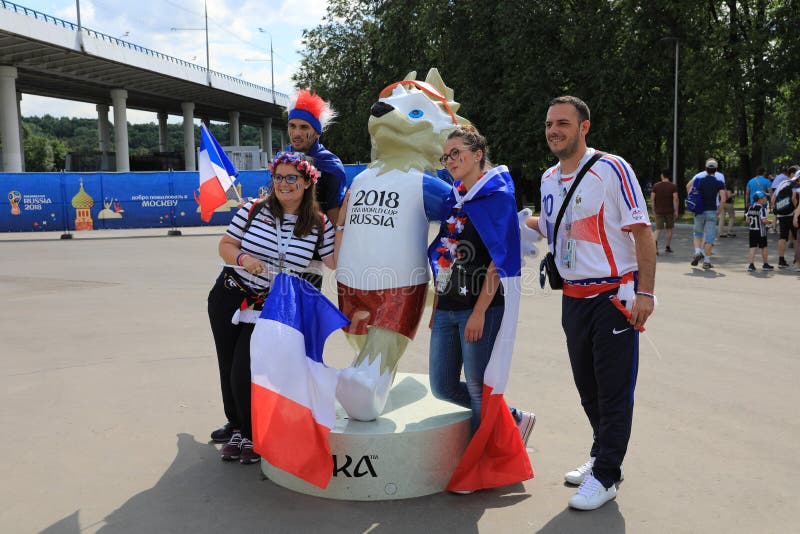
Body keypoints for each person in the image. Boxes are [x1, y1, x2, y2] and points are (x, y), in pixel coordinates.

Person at [525, 96, 655, 511]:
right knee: (588, 389)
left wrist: (646, 293)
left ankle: (606, 475)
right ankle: (603, 455)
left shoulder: (611, 168)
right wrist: (508, 217)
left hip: (613, 296)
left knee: (614, 390)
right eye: (549, 124)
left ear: (584, 127)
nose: (553, 131)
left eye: (562, 123)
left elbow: (641, 232)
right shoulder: (548, 178)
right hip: (573, 298)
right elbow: (549, 227)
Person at [207, 152, 341, 464]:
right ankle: (238, 426)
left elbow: (335, 262)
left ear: (307, 182)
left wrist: (345, 219)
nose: (283, 183)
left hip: (268, 304)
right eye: (278, 177)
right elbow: (226, 245)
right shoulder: (252, 209)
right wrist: (243, 259)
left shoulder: (318, 224)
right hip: (229, 294)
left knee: (246, 366)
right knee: (228, 364)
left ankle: (252, 432)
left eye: (291, 177)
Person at [428, 125, 535, 449]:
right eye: (446, 156)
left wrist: (478, 313)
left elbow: (498, 261)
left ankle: (480, 459)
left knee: (478, 387)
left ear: (477, 154)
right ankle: (513, 418)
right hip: (447, 307)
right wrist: (435, 307)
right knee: (442, 386)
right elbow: (445, 252)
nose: (450, 160)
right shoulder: (454, 197)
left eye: (456, 153)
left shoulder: (497, 196)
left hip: (481, 309)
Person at [285, 89, 347, 224]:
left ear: (317, 133)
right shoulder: (284, 158)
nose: (296, 133)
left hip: (318, 238)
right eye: (292, 126)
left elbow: (334, 217)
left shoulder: (330, 165)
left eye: (304, 127)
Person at [687, 162, 726, 269]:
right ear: (716, 170)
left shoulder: (699, 181)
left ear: (706, 169)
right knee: (709, 238)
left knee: (697, 234)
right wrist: (719, 211)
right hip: (712, 211)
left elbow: (690, 192)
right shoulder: (719, 182)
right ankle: (707, 262)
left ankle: (697, 252)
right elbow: (723, 199)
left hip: (699, 211)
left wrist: (693, 207)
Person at [772, 167, 799, 268]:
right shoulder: (794, 184)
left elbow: (773, 198)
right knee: (797, 237)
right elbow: (793, 197)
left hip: (781, 214)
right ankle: (797, 259)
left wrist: (775, 209)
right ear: (792, 174)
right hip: (791, 213)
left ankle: (781, 260)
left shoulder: (781, 183)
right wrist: (797, 208)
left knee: (782, 237)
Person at [650, 168, 678, 254]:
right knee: (669, 229)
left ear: (662, 175)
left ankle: (654, 247)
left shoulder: (656, 186)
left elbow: (652, 199)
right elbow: (676, 198)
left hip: (658, 211)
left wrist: (653, 209)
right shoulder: (673, 186)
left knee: (658, 229)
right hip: (669, 211)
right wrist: (676, 210)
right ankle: (668, 247)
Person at [745, 191, 774, 271]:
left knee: (752, 247)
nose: (765, 199)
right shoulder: (762, 208)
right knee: (763, 247)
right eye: (764, 198)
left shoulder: (751, 207)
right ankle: (765, 264)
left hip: (752, 231)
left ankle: (751, 265)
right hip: (760, 231)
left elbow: (747, 220)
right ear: (760, 199)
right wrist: (770, 222)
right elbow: (763, 220)